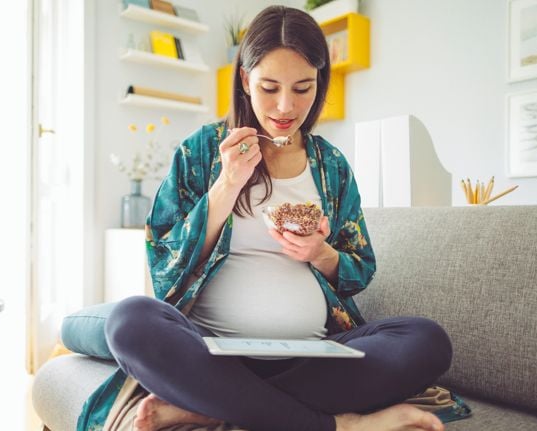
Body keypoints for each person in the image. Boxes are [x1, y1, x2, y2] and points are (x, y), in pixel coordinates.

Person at [91, 6, 455, 431]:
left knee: (427, 341)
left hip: (313, 356)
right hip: (210, 353)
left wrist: (322, 254)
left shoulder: (330, 164)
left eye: (303, 88)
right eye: (269, 87)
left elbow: (360, 270)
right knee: (130, 321)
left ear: (319, 83)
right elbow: (164, 271)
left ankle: (213, 406)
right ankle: (342, 425)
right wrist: (227, 184)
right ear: (245, 81)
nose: (286, 106)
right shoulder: (203, 150)